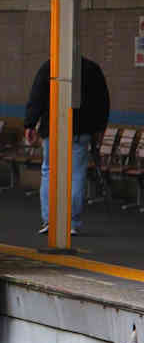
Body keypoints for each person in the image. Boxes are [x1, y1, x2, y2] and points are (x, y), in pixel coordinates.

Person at [24, 57, 109, 235]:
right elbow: (102, 101)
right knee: (76, 175)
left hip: (53, 129)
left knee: (49, 172)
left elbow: (37, 96)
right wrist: (99, 129)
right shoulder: (90, 68)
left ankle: (49, 220)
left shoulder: (51, 66)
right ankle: (71, 223)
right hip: (81, 130)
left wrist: (30, 124)